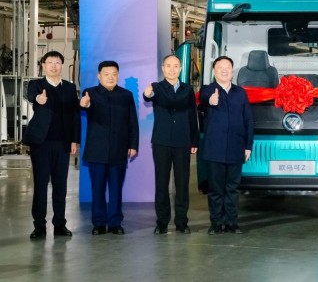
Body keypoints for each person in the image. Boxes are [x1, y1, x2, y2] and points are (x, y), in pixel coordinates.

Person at [23, 51, 81, 239]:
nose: (54, 66)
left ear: (62, 65)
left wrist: (74, 140)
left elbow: (75, 115)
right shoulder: (36, 85)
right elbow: (31, 95)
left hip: (63, 143)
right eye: (50, 62)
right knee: (40, 185)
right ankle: (39, 226)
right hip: (41, 144)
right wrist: (38, 99)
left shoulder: (70, 88)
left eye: (57, 62)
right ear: (43, 65)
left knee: (60, 185)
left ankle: (60, 225)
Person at [80, 60, 139, 235]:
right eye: (106, 74)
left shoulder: (126, 95)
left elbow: (132, 122)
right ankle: (99, 223)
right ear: (99, 76)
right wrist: (84, 104)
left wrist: (133, 144)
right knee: (97, 189)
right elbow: (86, 105)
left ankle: (115, 223)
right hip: (97, 150)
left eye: (114, 74)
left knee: (116, 189)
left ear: (118, 76)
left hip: (118, 149)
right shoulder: (90, 93)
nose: (110, 77)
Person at [143, 54, 199, 234]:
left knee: (182, 183)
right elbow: (149, 97)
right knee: (162, 183)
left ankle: (182, 222)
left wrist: (194, 140)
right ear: (163, 68)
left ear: (180, 69)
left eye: (176, 66)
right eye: (168, 65)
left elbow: (192, 115)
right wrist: (147, 94)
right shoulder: (157, 87)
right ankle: (162, 222)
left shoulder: (187, 89)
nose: (172, 69)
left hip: (182, 141)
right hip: (161, 141)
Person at [200, 56, 254, 235]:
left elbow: (248, 120)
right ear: (214, 71)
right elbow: (204, 99)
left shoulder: (240, 93)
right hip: (214, 149)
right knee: (215, 190)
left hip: (236, 148)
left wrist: (248, 146)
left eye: (227, 67)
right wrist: (211, 101)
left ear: (232, 71)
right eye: (220, 67)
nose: (224, 70)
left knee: (232, 189)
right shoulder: (207, 90)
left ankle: (232, 222)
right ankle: (216, 223)